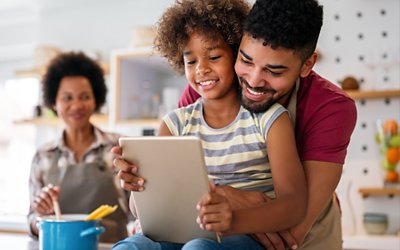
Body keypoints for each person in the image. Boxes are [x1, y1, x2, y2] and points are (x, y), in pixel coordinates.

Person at [112, 0, 307, 249]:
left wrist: (234, 219)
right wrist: (136, 184)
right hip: (178, 233)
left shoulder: (270, 119)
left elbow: (294, 205)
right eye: (190, 61)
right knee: (131, 247)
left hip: (243, 236)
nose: (202, 69)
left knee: (197, 247)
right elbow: (141, 211)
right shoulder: (175, 124)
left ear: (237, 55)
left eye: (213, 57)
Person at [178, 0, 358, 249]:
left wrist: (237, 204)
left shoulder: (331, 107)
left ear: (307, 64)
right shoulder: (206, 92)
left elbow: (292, 232)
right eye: (246, 60)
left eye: (274, 71)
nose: (253, 81)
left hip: (307, 237)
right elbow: (182, 179)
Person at [28, 52, 130, 243]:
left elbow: (141, 211)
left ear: (96, 100)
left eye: (84, 97)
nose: (76, 105)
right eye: (67, 98)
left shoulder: (119, 147)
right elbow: (32, 222)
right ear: (54, 103)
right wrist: (41, 216)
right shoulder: (43, 156)